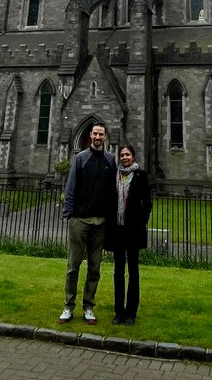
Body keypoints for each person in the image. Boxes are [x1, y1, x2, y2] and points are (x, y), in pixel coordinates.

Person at [60, 121, 115, 325]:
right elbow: (71, 187)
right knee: (73, 267)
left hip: (100, 223)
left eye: (101, 134)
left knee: (94, 268)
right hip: (80, 220)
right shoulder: (80, 158)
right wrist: (70, 215)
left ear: (105, 136)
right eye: (95, 134)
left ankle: (88, 307)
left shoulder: (111, 159)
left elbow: (113, 190)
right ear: (90, 136)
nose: (98, 137)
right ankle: (68, 306)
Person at [104, 144, 152, 325]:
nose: (124, 157)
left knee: (133, 272)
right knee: (118, 273)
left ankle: (131, 313)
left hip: (133, 231)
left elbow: (147, 204)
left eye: (127, 154)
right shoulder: (113, 176)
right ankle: (119, 312)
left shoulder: (141, 176)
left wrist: (141, 222)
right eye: (122, 155)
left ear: (133, 157)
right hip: (117, 231)